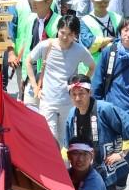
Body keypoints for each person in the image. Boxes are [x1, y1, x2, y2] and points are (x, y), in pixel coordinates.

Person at [65, 74, 129, 190]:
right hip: (83, 168)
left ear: (90, 92)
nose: (78, 98)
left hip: (104, 166)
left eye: (81, 93)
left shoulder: (105, 109)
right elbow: (68, 144)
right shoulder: (71, 114)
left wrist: (121, 154)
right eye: (73, 95)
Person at [25, 13, 95, 144]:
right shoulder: (46, 45)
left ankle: (64, 165)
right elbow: (28, 61)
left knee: (65, 142)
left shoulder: (80, 50)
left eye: (70, 34)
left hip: (68, 103)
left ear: (75, 35)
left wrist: (79, 86)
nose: (65, 37)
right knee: (49, 139)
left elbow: (92, 66)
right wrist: (35, 87)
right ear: (57, 30)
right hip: (48, 101)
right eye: (62, 32)